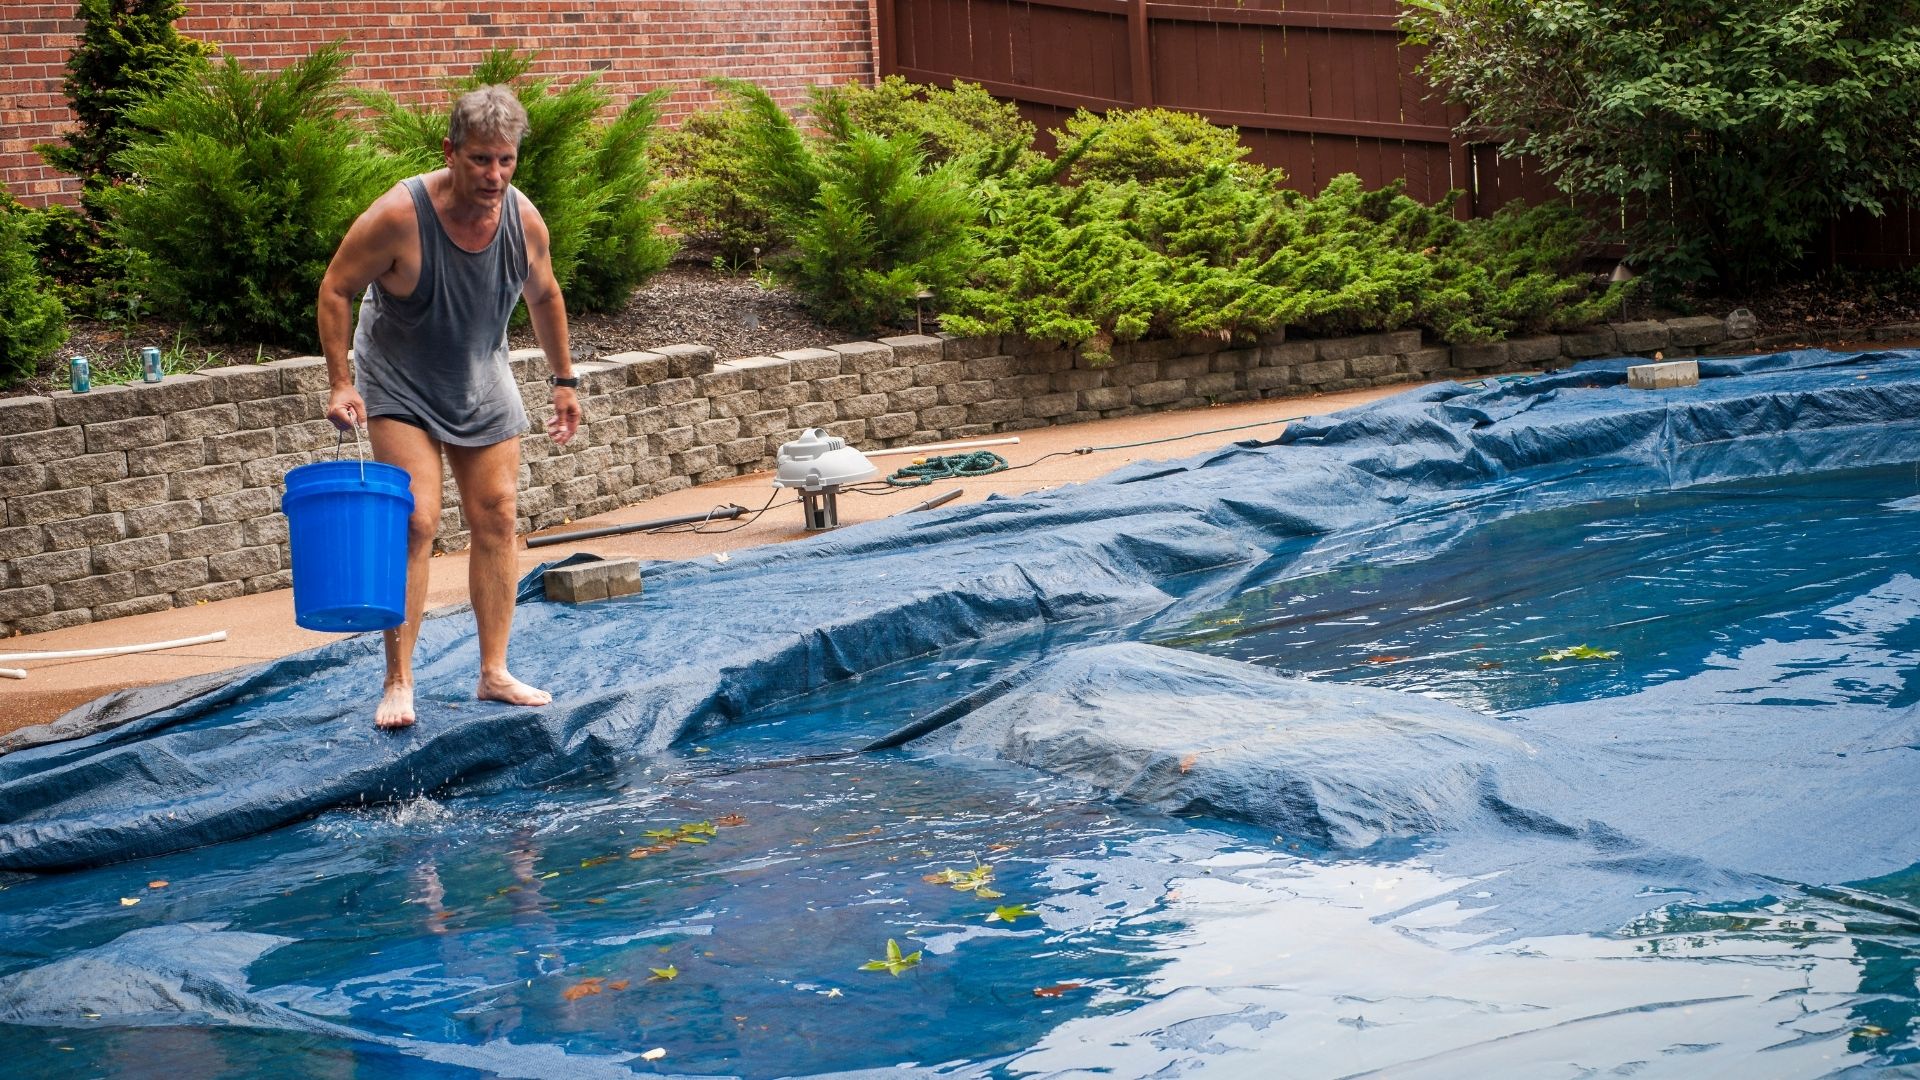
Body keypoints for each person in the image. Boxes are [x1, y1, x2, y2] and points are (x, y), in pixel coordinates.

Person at [317, 85, 581, 730]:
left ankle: (493, 673)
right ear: (452, 152)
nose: (494, 176)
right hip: (400, 380)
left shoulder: (523, 220)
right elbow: (336, 288)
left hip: (480, 376)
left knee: (496, 512)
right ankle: (399, 681)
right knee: (417, 520)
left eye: (506, 161)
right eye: (482, 160)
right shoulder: (399, 216)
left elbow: (544, 297)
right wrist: (340, 382)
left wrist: (564, 380)